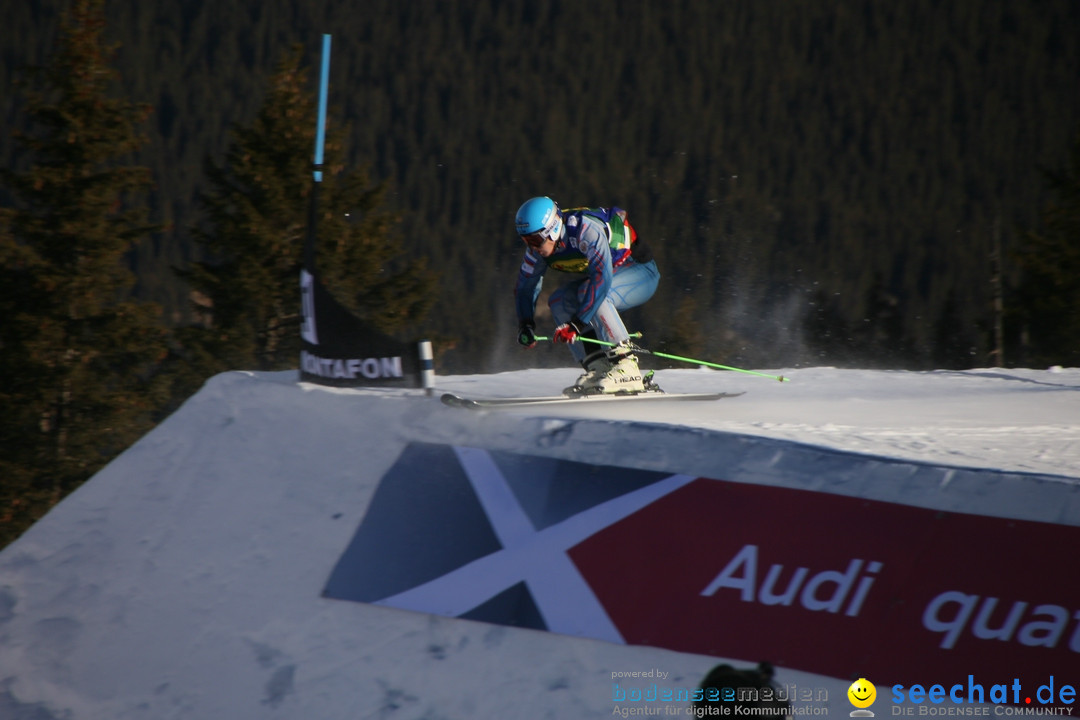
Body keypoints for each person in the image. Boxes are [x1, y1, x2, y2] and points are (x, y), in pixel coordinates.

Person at [513, 196, 660, 394]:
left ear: (553, 229)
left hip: (641, 273)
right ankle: (599, 367)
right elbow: (525, 287)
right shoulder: (537, 250)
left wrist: (577, 324)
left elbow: (602, 280)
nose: (532, 246)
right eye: (525, 240)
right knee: (558, 301)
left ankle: (626, 366)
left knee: (590, 293)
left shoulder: (585, 231)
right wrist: (526, 325)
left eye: (535, 240)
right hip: (611, 277)